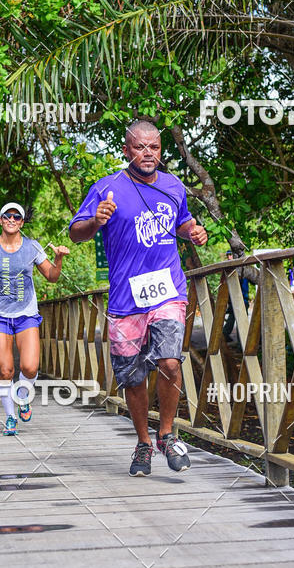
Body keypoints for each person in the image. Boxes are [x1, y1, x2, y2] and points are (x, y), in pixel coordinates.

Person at [69, 120, 208, 476]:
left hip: (168, 290)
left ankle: (166, 434)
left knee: (170, 362)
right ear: (127, 150)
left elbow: (182, 222)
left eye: (155, 148)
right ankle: (144, 443)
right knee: (132, 377)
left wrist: (192, 232)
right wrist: (96, 220)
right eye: (141, 147)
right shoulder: (107, 187)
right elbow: (76, 233)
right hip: (125, 299)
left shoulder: (174, 186)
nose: (149, 154)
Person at [0, 202, 70, 436]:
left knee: (29, 367)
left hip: (26, 314)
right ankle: (10, 417)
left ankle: (22, 397)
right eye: (6, 216)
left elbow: (51, 276)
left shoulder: (32, 247)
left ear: (21, 222)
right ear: (0, 220)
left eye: (16, 216)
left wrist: (58, 258)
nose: (11, 219)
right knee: (6, 369)